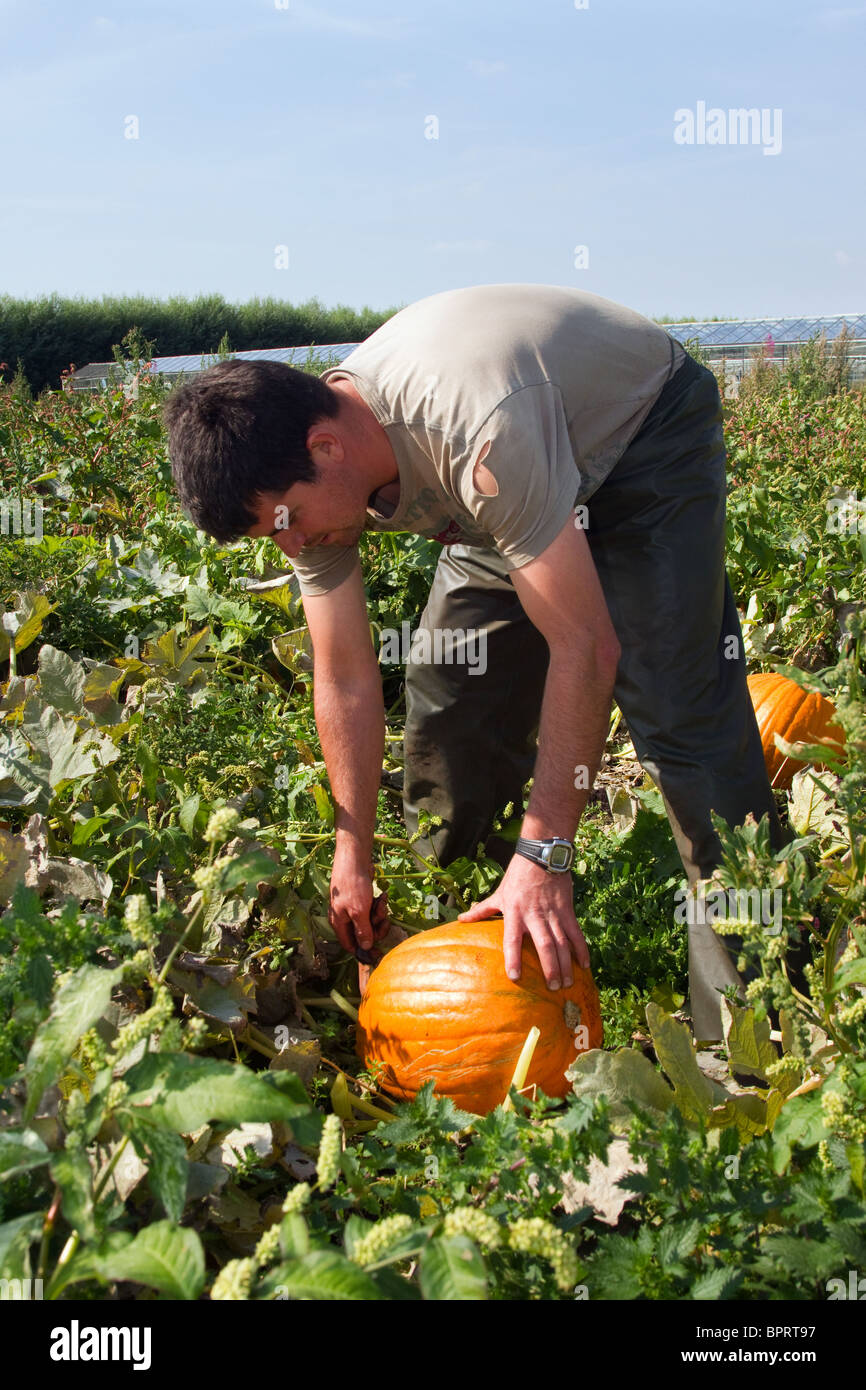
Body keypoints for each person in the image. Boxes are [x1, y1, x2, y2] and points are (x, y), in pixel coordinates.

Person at [164, 283, 784, 1042]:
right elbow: (347, 675)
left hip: (637, 437)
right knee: (455, 691)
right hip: (508, 496)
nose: (289, 546)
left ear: (327, 449)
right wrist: (351, 851)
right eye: (271, 536)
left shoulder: (476, 431)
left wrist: (549, 849)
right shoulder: (305, 491)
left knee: (679, 710)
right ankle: (473, 935)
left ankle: (760, 1012)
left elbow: (586, 648)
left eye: (283, 524)